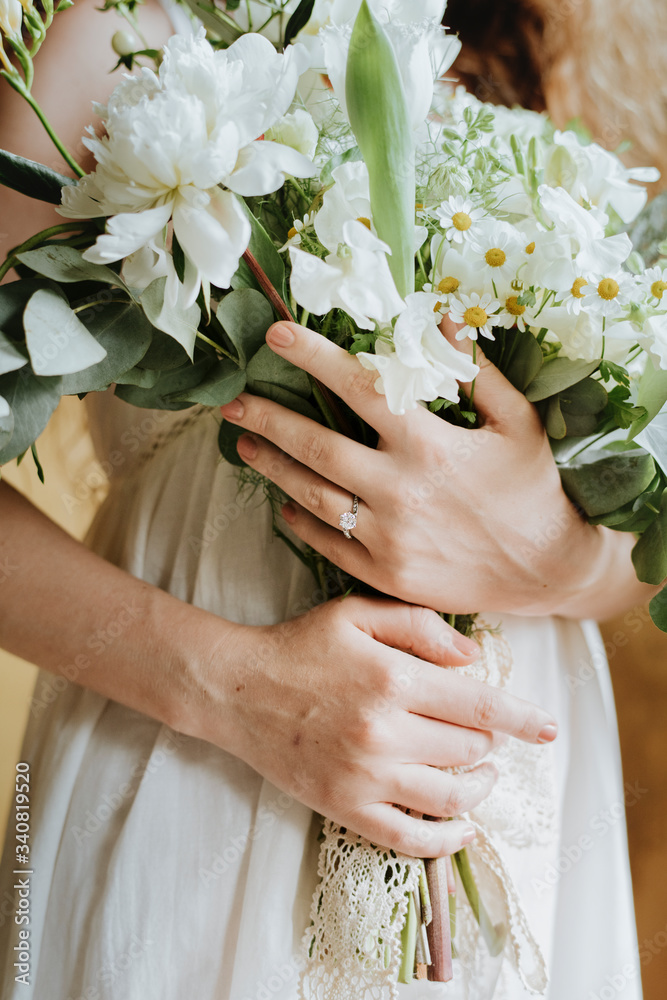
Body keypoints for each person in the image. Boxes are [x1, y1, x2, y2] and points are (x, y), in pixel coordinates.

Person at [0, 1, 660, 998]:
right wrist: (242, 690)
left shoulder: (524, 56)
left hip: (515, 790)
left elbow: (635, 527)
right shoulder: (106, 37)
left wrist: (545, 547)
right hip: (201, 768)